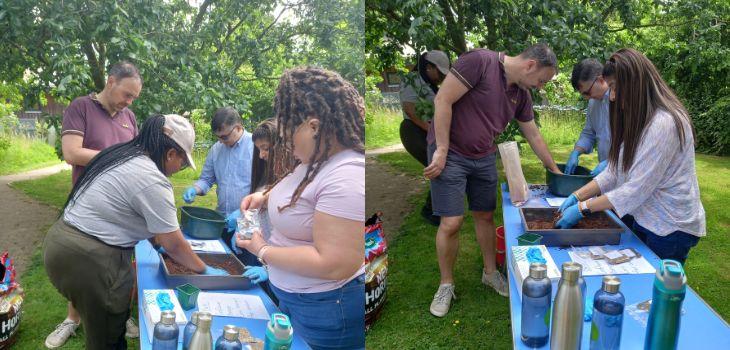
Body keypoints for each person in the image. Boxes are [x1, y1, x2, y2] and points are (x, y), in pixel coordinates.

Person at [43, 114, 229, 350]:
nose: (179, 170)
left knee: (106, 327)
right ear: (171, 153)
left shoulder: (123, 155)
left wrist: (158, 244)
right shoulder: (151, 178)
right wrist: (203, 270)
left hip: (61, 243)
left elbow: (138, 215)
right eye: (182, 164)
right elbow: (175, 245)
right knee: (107, 340)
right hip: (88, 259)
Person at [424, 43, 562, 317]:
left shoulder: (521, 95)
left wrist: (556, 172)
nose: (539, 86)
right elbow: (443, 100)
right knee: (451, 222)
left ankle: (490, 273)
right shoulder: (480, 62)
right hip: (450, 153)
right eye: (541, 80)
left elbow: (533, 135)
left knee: (485, 216)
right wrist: (440, 149)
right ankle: (446, 284)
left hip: (484, 156)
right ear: (530, 65)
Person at [235, 65, 365, 350]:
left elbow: (334, 263)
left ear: (314, 127)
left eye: (288, 133)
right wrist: (265, 197)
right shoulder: (315, 161)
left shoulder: (347, 174)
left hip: (326, 309)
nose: (285, 143)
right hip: (296, 299)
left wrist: (262, 251)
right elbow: (303, 190)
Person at [556, 48, 705, 266]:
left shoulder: (664, 123)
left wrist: (582, 209)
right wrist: (577, 195)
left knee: (658, 290)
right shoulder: (642, 118)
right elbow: (615, 171)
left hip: (669, 225)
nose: (612, 96)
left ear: (634, 81)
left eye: (614, 87)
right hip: (645, 216)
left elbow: (636, 189)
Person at [50, 61, 143, 348]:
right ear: (111, 82)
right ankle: (72, 319)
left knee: (121, 263)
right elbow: (71, 153)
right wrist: (115, 157)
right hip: (87, 206)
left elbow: (137, 157)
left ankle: (119, 313)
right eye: (126, 94)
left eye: (133, 98)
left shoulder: (130, 117)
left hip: (121, 207)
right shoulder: (81, 107)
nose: (128, 102)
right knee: (82, 264)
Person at [568, 58, 635, 230]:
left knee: (627, 228)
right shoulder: (593, 103)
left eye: (588, 92)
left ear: (601, 79)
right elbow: (589, 133)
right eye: (583, 94)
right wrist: (576, 152)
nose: (587, 97)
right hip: (606, 180)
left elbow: (635, 140)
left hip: (628, 178)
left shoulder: (624, 99)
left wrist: (611, 162)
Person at [182, 107, 254, 254]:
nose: (221, 141)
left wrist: (244, 213)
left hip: (249, 223)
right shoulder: (216, 149)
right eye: (218, 137)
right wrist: (195, 189)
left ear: (238, 128)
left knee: (246, 268)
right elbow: (207, 179)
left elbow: (266, 188)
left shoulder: (257, 147)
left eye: (225, 136)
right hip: (221, 224)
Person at [230, 118, 282, 306]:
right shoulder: (266, 178)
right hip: (263, 257)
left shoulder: (291, 187)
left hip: (280, 265)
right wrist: (242, 229)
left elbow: (292, 243)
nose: (261, 155)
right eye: (259, 149)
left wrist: (269, 270)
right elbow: (258, 217)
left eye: (266, 148)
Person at [399, 50, 450, 226]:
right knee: (439, 167)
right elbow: (410, 111)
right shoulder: (412, 80)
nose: (442, 78)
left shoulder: (428, 84)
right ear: (429, 67)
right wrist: (436, 134)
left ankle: (434, 209)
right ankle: (431, 211)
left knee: (442, 167)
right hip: (414, 131)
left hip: (428, 129)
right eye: (440, 73)